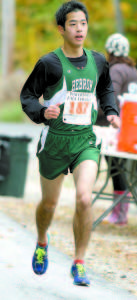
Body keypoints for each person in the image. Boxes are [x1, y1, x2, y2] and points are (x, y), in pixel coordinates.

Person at [20, 1, 120, 286]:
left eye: (83, 23)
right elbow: (28, 96)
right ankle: (41, 241)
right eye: (73, 24)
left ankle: (79, 261)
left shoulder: (99, 61)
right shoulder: (48, 63)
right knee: (49, 204)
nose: (79, 29)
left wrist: (111, 111)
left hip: (84, 141)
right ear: (61, 29)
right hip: (54, 142)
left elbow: (106, 88)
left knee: (85, 198)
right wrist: (42, 113)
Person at [96, 33, 137, 226]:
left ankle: (119, 213)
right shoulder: (132, 70)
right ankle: (121, 211)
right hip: (131, 129)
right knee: (122, 169)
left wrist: (93, 113)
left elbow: (110, 99)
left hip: (114, 128)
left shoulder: (116, 70)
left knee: (115, 168)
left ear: (110, 51)